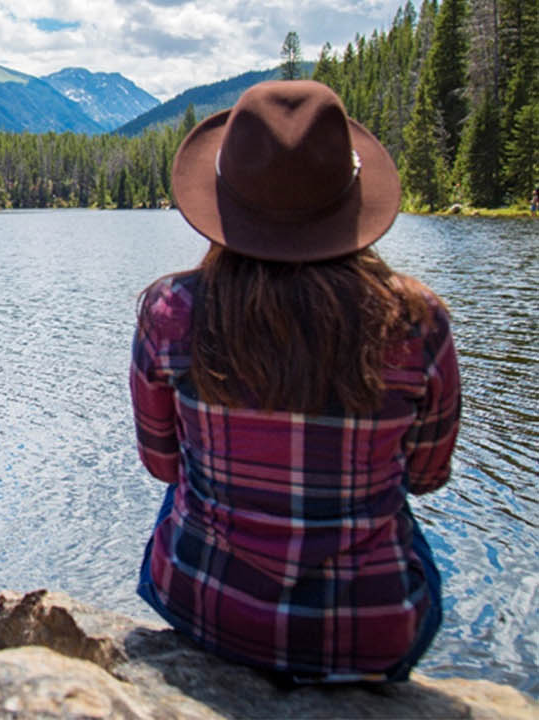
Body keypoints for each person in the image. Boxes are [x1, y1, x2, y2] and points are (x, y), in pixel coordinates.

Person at [131, 81, 461, 684]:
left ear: (222, 203)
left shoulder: (169, 310)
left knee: (189, 489)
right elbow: (426, 476)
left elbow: (163, 465)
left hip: (206, 606)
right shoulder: (416, 320)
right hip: (369, 632)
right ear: (349, 198)